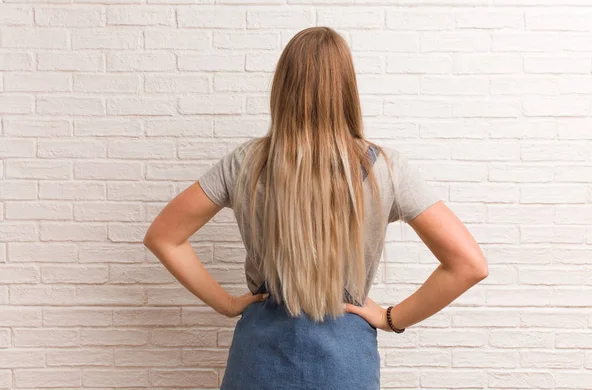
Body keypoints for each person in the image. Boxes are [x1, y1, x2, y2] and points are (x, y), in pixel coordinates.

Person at [143, 26, 489, 390]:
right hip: (346, 363)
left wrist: (228, 304)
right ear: (346, 90)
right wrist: (391, 318)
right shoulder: (385, 168)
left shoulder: (245, 163)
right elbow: (468, 264)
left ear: (283, 87)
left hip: (258, 358)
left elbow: (165, 236)